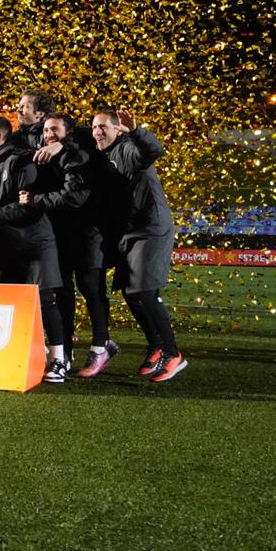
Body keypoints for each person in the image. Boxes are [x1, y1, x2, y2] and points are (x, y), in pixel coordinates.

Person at [0, 117, 69, 383]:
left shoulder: (23, 161)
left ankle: (60, 360)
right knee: (4, 296)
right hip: (8, 243)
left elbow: (25, 204)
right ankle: (25, 351)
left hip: (36, 241)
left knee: (44, 300)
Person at [92, 108, 186, 382]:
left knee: (144, 292)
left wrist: (136, 131)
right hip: (129, 233)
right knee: (132, 294)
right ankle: (156, 346)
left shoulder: (128, 148)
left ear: (117, 129)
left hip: (151, 229)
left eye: (103, 127)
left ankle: (172, 352)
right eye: (94, 127)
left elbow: (153, 150)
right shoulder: (102, 155)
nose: (97, 131)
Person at [23, 114, 116, 375]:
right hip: (59, 234)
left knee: (91, 289)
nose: (48, 134)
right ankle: (64, 350)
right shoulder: (44, 151)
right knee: (62, 290)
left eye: (54, 130)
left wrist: (36, 200)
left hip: (88, 233)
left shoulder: (80, 153)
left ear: (69, 132)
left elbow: (73, 198)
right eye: (46, 130)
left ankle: (100, 346)